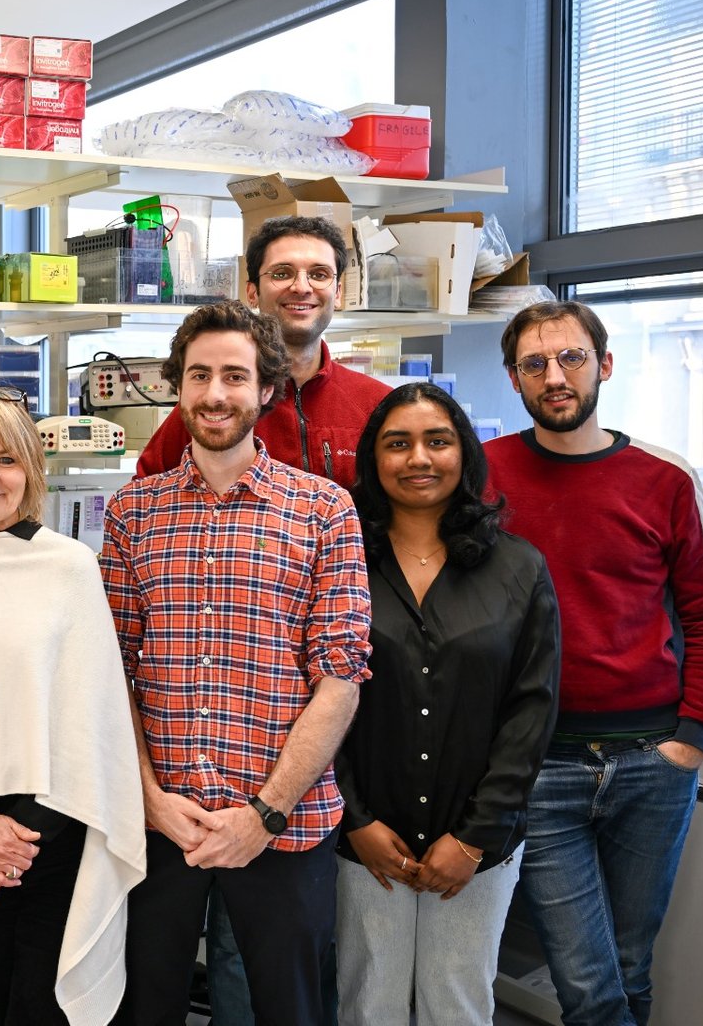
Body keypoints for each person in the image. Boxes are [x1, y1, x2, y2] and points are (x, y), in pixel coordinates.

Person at [140, 217, 385, 1025]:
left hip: (287, 819)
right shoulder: (133, 514)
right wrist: (149, 799)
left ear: (266, 390)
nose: (217, 394)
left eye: (236, 377)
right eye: (200, 376)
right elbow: (114, 671)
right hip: (161, 821)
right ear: (178, 387)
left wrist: (265, 814)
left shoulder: (326, 510)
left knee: (287, 1007)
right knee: (145, 1004)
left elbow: (341, 677)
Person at [485, 300, 703, 1026]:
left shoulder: (666, 478)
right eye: (535, 364)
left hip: (653, 763)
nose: (555, 377)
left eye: (572, 358)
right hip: (540, 765)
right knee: (588, 984)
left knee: (629, 966)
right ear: (514, 378)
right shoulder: (483, 474)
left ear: (605, 365)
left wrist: (693, 739)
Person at [0, 385, 146, 1026]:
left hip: (54, 839)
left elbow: (92, 726)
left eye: (6, 459)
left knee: (42, 1012)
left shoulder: (70, 568)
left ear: (32, 470)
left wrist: (12, 846)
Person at [333, 382, 561, 1026]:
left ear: (464, 453)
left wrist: (474, 838)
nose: (418, 458)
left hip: (476, 843)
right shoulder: (339, 558)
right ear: (373, 459)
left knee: (457, 1005)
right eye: (397, 444)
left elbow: (531, 713)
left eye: (438, 441)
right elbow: (311, 696)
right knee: (368, 1004)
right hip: (366, 839)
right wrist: (355, 820)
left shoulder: (519, 568)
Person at [136, 215, 390, 484]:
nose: (301, 287)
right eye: (282, 273)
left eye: (319, 275)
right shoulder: (213, 408)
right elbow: (148, 498)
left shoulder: (378, 405)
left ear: (337, 292)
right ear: (252, 292)